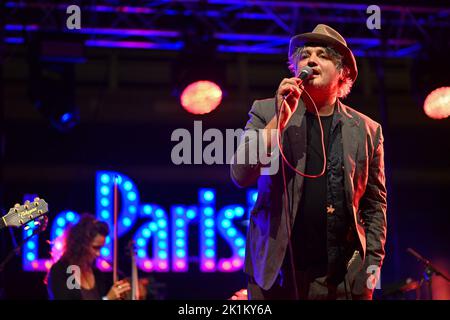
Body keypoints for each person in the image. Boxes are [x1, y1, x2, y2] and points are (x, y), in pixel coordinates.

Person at [231, 24, 387, 300]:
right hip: (276, 275)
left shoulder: (367, 130)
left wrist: (369, 274)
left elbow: (375, 208)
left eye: (322, 55)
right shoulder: (266, 110)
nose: (311, 60)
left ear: (343, 73)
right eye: (305, 56)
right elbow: (240, 174)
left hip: (341, 278)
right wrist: (279, 120)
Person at [46, 214, 131, 300]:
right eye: (95, 247)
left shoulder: (97, 274)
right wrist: (107, 299)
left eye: (101, 248)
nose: (98, 254)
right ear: (81, 244)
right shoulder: (61, 271)